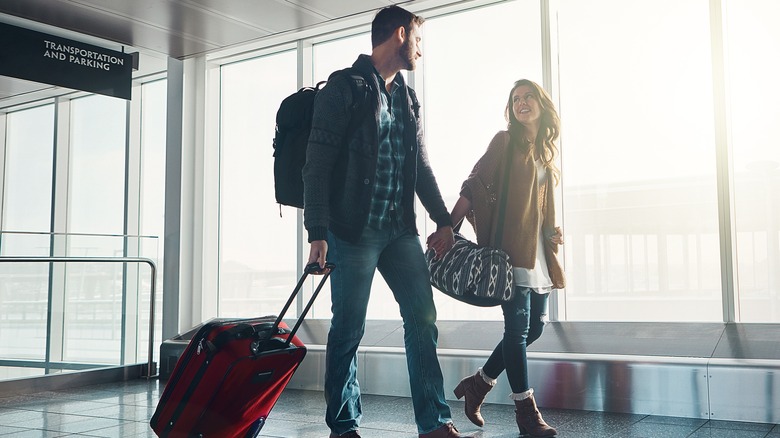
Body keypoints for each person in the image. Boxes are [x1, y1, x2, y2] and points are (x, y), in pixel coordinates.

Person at [302, 6, 471, 438]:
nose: (420, 50)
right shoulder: (344, 88)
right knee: (349, 328)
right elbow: (316, 166)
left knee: (422, 317)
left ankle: (434, 422)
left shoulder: (408, 98)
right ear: (400, 34)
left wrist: (444, 220)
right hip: (351, 232)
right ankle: (343, 424)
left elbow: (422, 170)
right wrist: (317, 233)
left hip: (399, 232)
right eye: (418, 40)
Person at [438, 79, 565, 437]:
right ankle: (526, 412)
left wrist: (552, 233)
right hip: (510, 254)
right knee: (518, 329)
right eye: (515, 99)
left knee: (534, 328)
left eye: (528, 97)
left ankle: (478, 384)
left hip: (539, 254)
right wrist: (448, 226)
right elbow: (475, 183)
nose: (522, 103)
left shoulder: (545, 153)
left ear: (542, 104)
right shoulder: (505, 141)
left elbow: (537, 209)